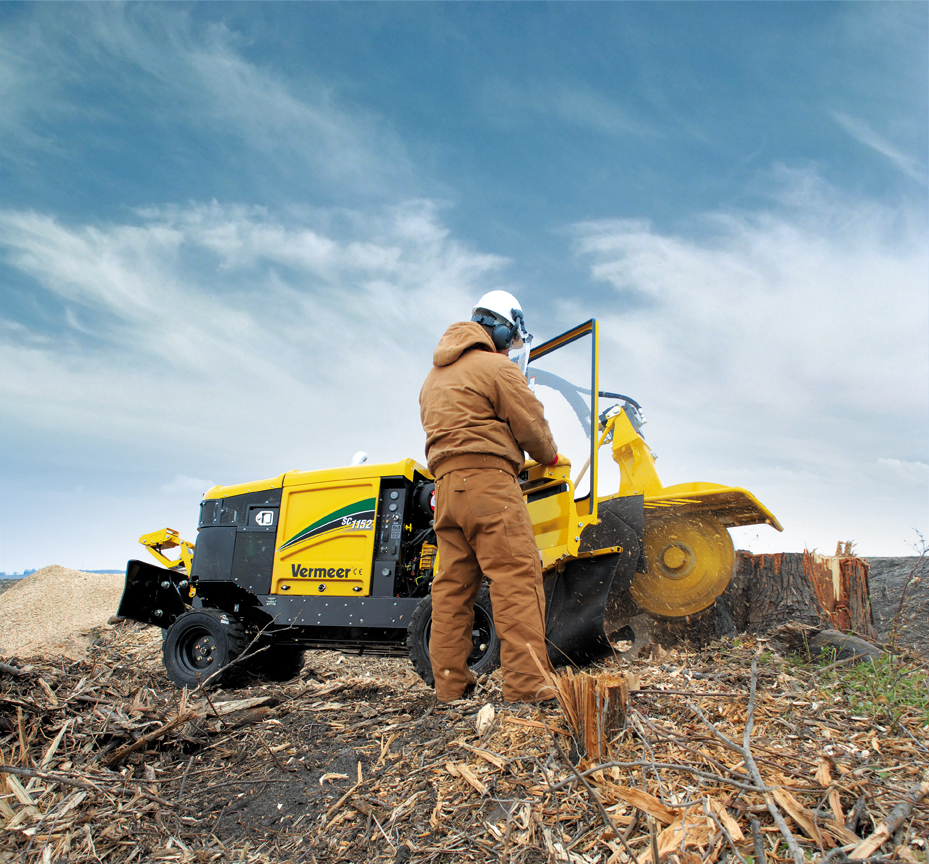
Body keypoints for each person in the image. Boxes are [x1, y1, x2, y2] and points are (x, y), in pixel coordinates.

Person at [419, 290, 565, 704]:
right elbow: (531, 427)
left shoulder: (433, 379)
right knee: (516, 579)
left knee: (451, 590)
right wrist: (550, 456)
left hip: (446, 492)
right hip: (491, 486)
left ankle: (450, 690)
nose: (510, 346)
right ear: (502, 327)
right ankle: (527, 687)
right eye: (511, 337)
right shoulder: (497, 368)